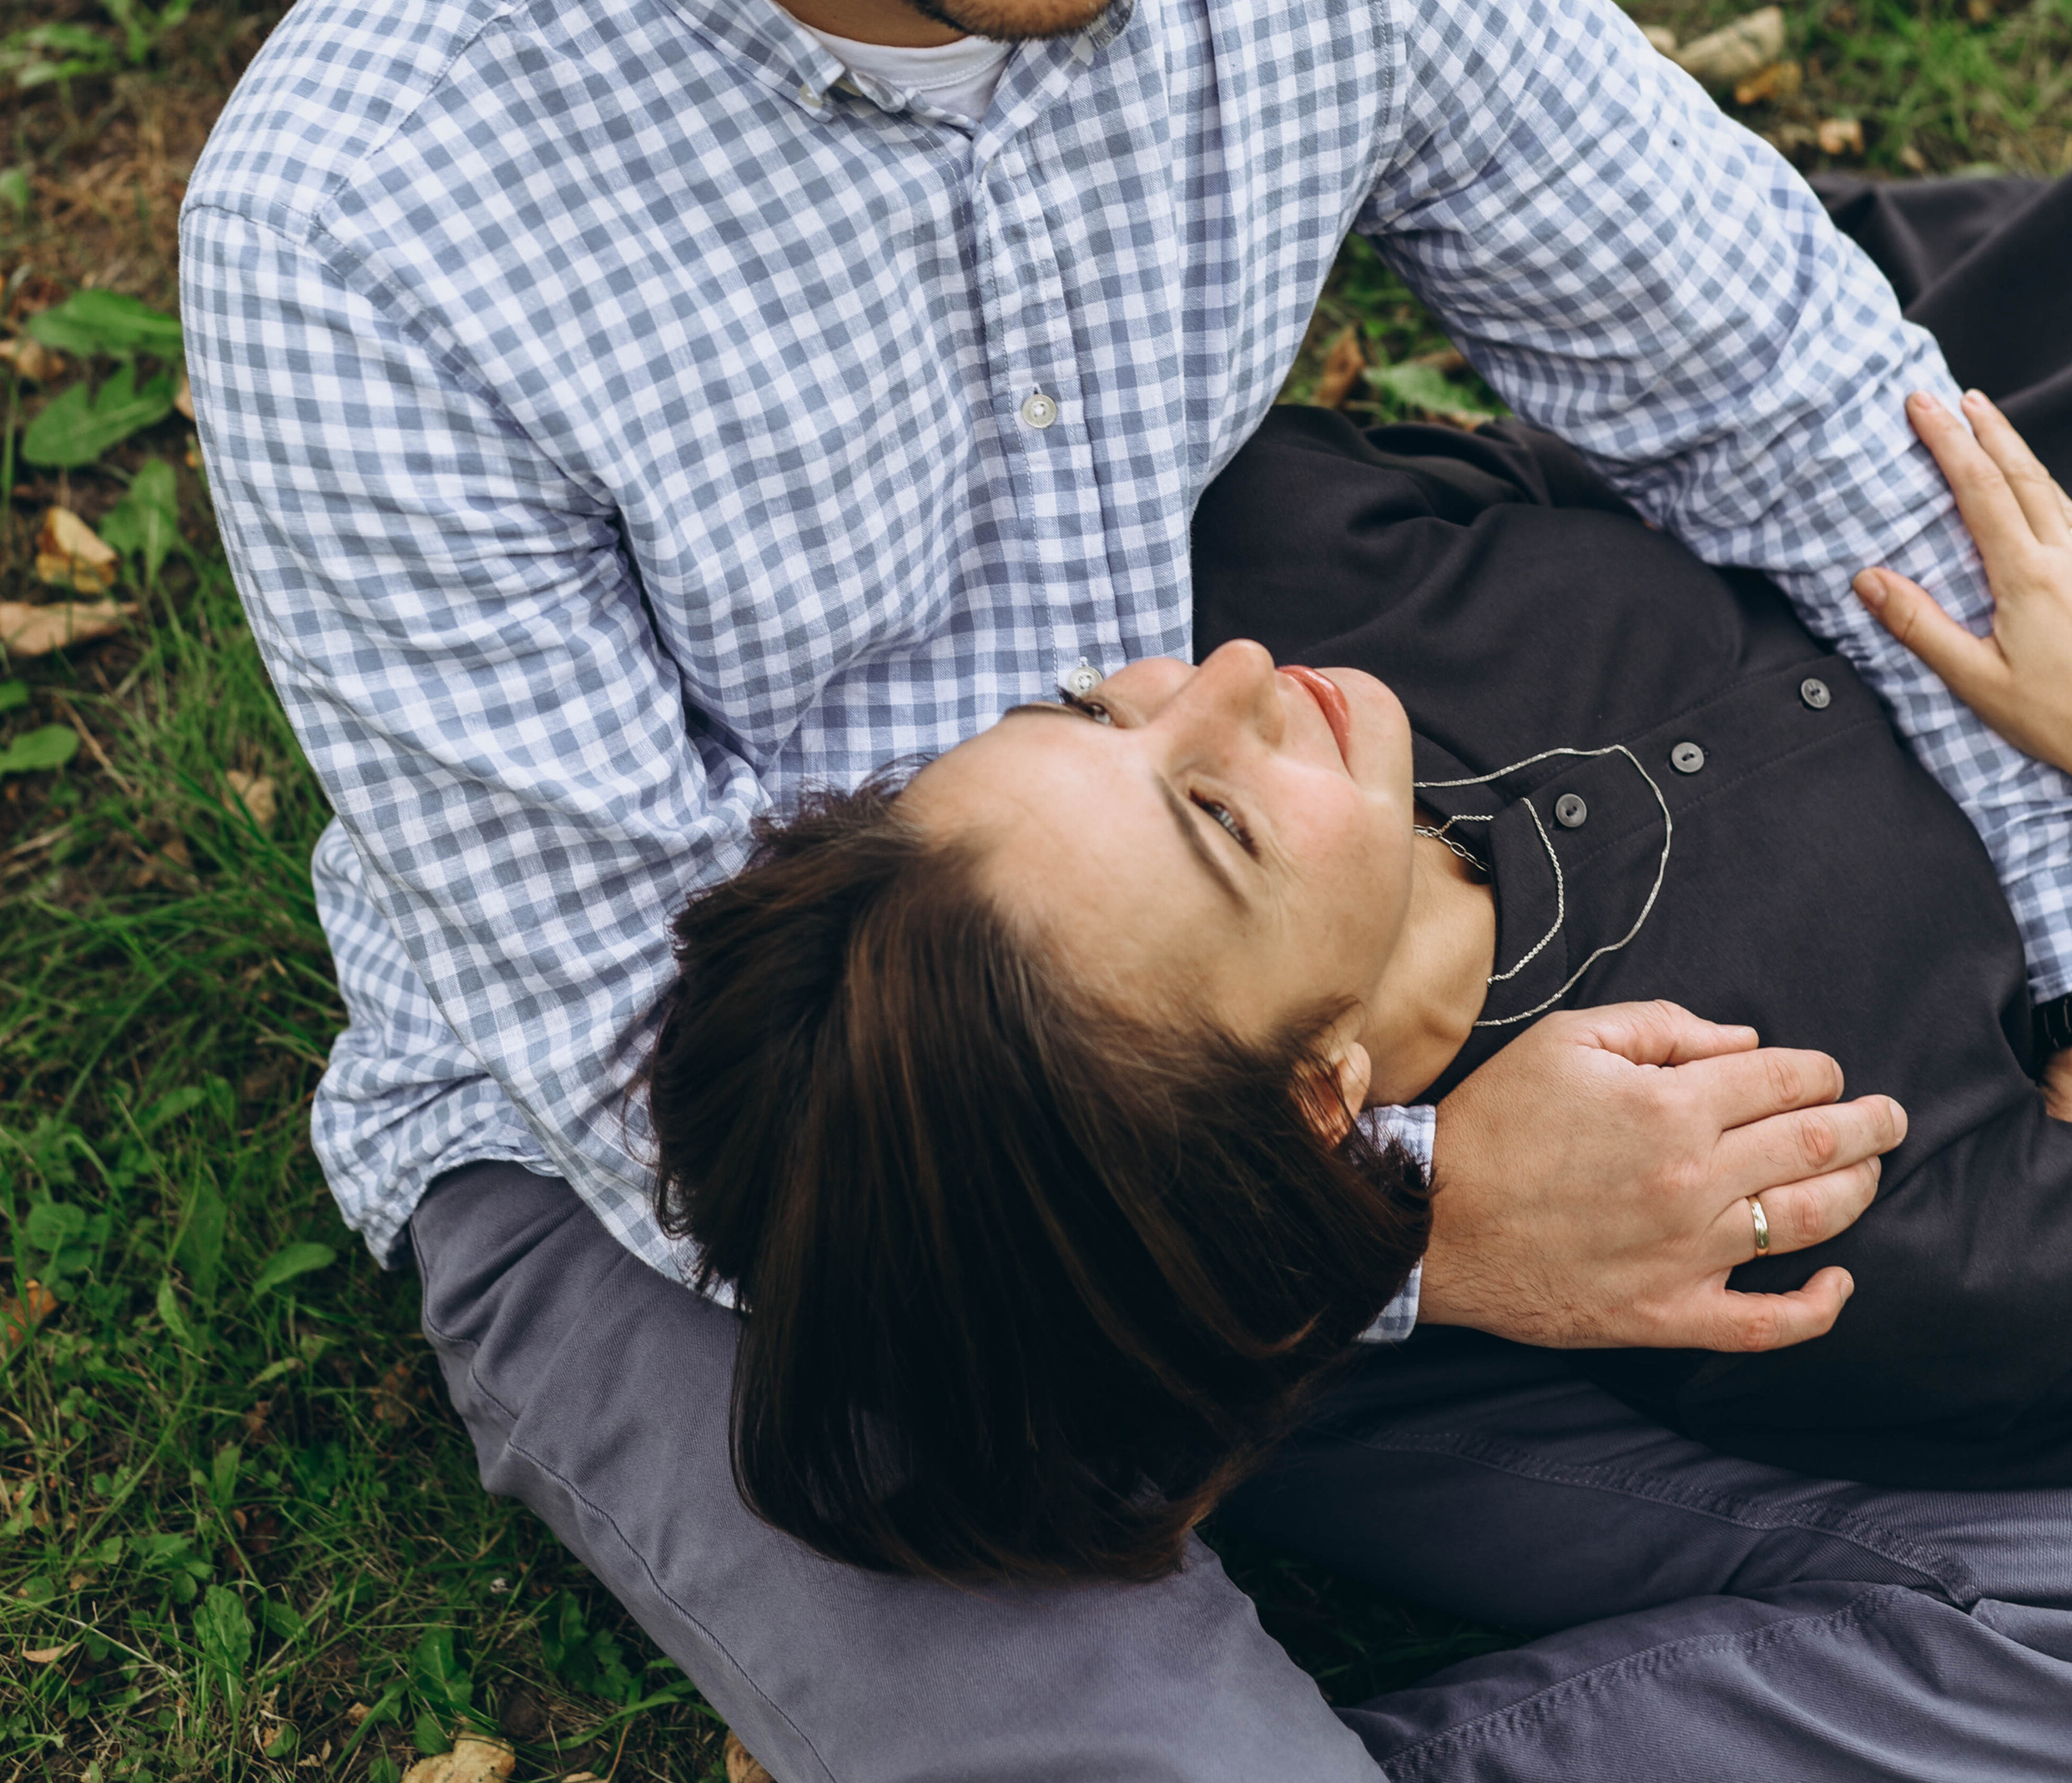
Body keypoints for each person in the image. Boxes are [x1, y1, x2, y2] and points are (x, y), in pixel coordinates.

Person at [180, 0, 2072, 1783]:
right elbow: (633, 1091)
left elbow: (1800, 397)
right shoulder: (365, 213)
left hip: (1281, 1010)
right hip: (799, 1228)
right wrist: (1432, 1221)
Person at [646, 355, 2072, 1600]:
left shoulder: (1277, 540)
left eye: (1087, 704)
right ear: (1325, 1099)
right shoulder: (1781, 1194)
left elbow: (1672, 441)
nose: (1235, 673)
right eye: (1222, 815)